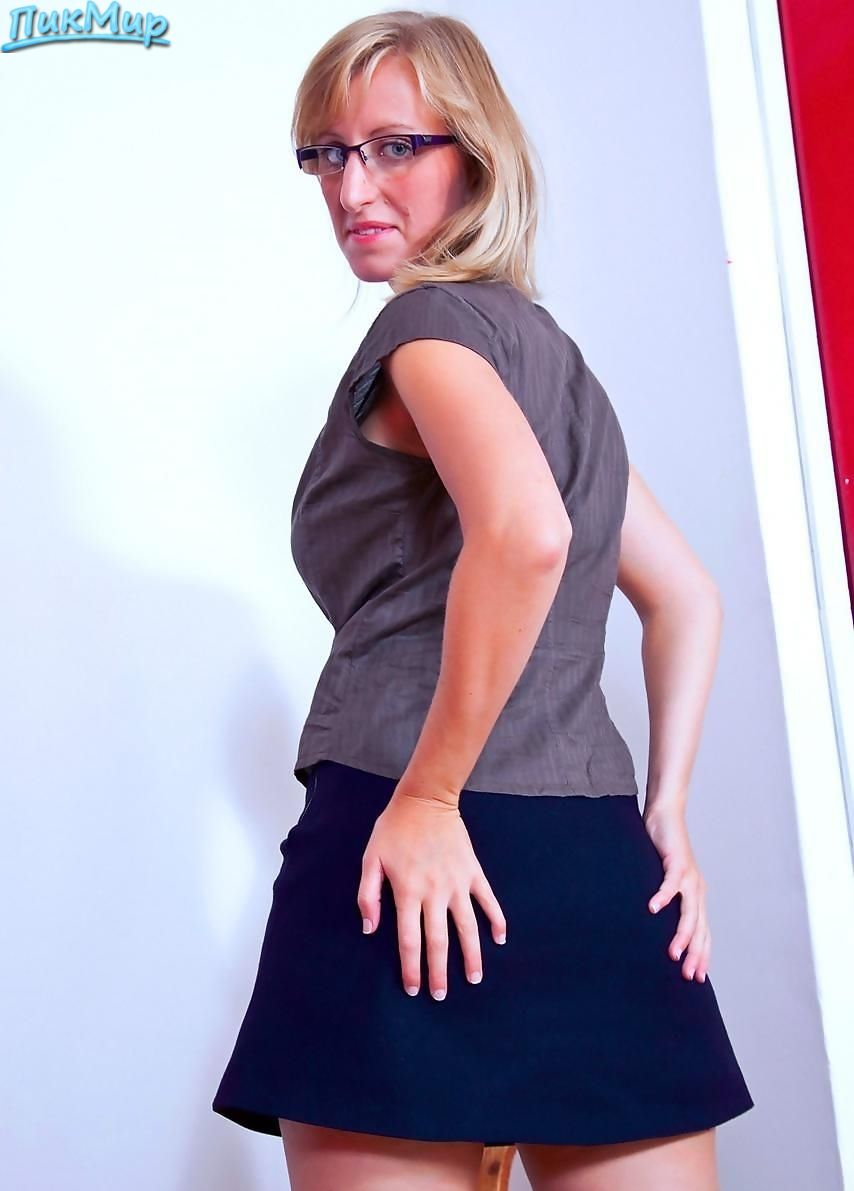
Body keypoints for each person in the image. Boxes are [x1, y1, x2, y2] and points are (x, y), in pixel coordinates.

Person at [212, 10, 754, 1189]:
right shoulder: (554, 363)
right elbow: (686, 596)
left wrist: (428, 794)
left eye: (394, 146)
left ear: (476, 154)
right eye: (326, 153)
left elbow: (525, 536)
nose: (352, 186)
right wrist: (663, 811)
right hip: (588, 858)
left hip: (406, 834)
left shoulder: (421, 330)